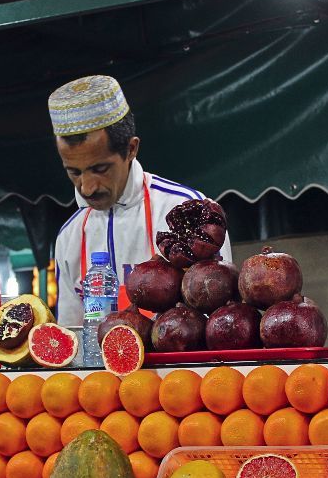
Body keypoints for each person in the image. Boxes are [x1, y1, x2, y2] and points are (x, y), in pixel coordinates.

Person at [49, 75, 232, 326]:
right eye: (74, 172)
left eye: (101, 169)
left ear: (131, 149)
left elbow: (221, 322)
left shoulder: (188, 210)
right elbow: (71, 334)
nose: (86, 187)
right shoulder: (68, 237)